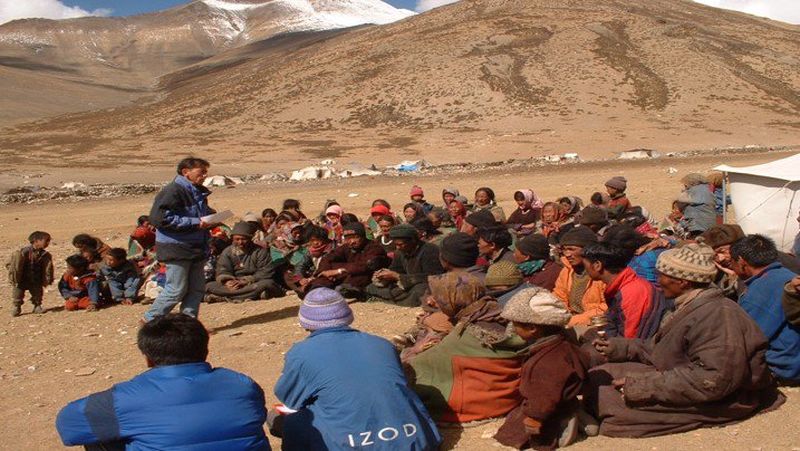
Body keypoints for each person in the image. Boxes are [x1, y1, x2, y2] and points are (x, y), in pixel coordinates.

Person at [586, 244, 785, 437]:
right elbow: (658, 348)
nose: (657, 281)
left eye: (662, 275)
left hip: (727, 397)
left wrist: (645, 386)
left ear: (683, 282)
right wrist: (620, 347)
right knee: (598, 376)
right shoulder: (686, 305)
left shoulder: (718, 315)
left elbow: (714, 380)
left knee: (608, 399)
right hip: (679, 373)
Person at [56, 314, 271, 450]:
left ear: (148, 358)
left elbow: (69, 428)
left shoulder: (123, 399)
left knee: (100, 435)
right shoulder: (243, 384)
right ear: (205, 350)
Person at [272, 288, 441, 450]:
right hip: (415, 440)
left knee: (284, 419)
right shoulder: (381, 344)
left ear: (305, 323)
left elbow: (289, 399)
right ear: (347, 316)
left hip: (352, 443)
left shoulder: (301, 353)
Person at [408, 286, 530, 423]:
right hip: (504, 398)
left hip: (470, 405)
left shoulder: (465, 334)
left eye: (440, 299)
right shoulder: (501, 319)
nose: (430, 302)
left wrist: (412, 352)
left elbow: (419, 364)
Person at [494, 287, 590, 450]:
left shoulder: (546, 363)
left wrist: (535, 417)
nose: (513, 328)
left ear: (533, 328)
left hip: (548, 412)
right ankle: (576, 416)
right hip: (564, 401)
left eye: (516, 324)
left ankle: (561, 428)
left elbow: (543, 396)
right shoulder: (564, 345)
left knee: (512, 432)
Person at [144, 157, 217, 321]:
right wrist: (196, 223)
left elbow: (196, 214)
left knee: (196, 289)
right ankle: (150, 319)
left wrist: (211, 218)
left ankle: (188, 324)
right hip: (176, 247)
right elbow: (159, 219)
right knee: (176, 289)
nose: (205, 176)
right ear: (186, 172)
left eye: (206, 172)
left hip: (196, 245)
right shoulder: (173, 191)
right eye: (201, 172)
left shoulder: (197, 191)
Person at [730, 235, 800, 383]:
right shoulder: (788, 276)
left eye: (732, 262)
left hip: (784, 366)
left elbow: (747, 340)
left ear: (742, 262)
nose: (732, 267)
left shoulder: (759, 293)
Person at [582, 242, 667, 339]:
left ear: (597, 265)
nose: (585, 271)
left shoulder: (631, 292)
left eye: (585, 266)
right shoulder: (621, 286)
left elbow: (629, 339)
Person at [366, 224, 445, 306]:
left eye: (400, 244)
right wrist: (383, 275)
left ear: (413, 240)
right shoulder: (400, 252)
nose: (398, 248)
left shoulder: (430, 250)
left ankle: (393, 299)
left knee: (420, 291)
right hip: (406, 285)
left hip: (423, 284)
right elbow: (396, 269)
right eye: (395, 245)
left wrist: (398, 276)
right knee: (371, 287)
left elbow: (434, 276)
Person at [205, 222, 284, 303]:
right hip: (235, 284)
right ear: (233, 239)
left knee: (267, 283)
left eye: (243, 239)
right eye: (237, 239)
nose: (240, 242)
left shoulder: (260, 251)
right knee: (209, 286)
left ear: (250, 238)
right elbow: (223, 269)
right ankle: (253, 295)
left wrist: (245, 281)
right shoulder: (227, 252)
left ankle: (225, 297)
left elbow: (266, 271)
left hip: (253, 282)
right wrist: (228, 282)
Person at [307, 222, 387, 299]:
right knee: (320, 281)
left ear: (362, 236)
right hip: (345, 275)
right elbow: (328, 258)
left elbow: (366, 265)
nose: (352, 241)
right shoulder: (346, 247)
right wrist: (325, 272)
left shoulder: (374, 248)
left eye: (355, 237)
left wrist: (339, 270)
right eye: (348, 238)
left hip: (362, 278)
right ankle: (316, 290)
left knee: (358, 276)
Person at [552, 227, 606, 327]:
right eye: (564, 249)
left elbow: (606, 307)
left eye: (571, 249)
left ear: (587, 250)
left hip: (595, 323)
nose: (567, 254)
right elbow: (559, 296)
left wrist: (573, 321)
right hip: (569, 320)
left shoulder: (602, 272)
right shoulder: (567, 271)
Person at [8, 231, 53, 317]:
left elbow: (48, 267)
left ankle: (37, 306)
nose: (48, 243)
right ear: (36, 241)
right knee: (18, 294)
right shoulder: (23, 252)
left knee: (37, 293)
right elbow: (11, 264)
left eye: (48, 241)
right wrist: (14, 273)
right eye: (46, 241)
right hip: (22, 279)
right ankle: (17, 307)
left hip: (35, 278)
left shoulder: (44, 255)